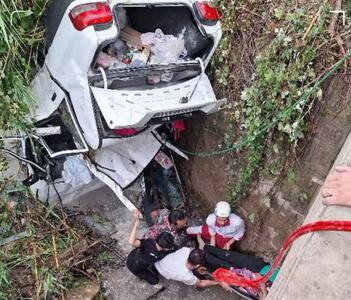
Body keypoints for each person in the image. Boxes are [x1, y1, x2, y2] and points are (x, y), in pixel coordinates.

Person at [126, 210, 175, 285]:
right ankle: (141, 276)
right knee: (155, 281)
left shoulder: (151, 242)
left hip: (146, 261)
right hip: (135, 265)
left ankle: (151, 267)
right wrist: (135, 223)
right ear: (166, 248)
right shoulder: (147, 244)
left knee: (154, 268)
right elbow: (131, 242)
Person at [155, 247, 232, 291]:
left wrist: (197, 268)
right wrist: (219, 282)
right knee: (198, 284)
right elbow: (201, 283)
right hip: (162, 270)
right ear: (197, 265)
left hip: (162, 261)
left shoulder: (185, 250)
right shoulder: (186, 276)